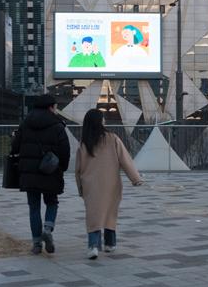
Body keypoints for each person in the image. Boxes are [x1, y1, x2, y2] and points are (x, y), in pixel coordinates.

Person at [75, 109, 144, 259]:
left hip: (90, 185)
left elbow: (78, 169)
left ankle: (93, 246)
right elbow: (125, 160)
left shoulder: (84, 143)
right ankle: (110, 243)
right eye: (103, 118)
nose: (105, 121)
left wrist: (80, 188)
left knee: (93, 215)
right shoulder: (112, 139)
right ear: (99, 122)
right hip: (110, 183)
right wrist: (135, 178)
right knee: (110, 212)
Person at [12, 93, 71, 255]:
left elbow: (15, 147)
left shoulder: (25, 123)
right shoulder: (58, 125)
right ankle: (48, 228)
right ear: (51, 107)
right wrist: (62, 167)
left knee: (34, 207)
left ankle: (37, 243)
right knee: (52, 202)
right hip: (50, 171)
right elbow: (65, 150)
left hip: (29, 173)